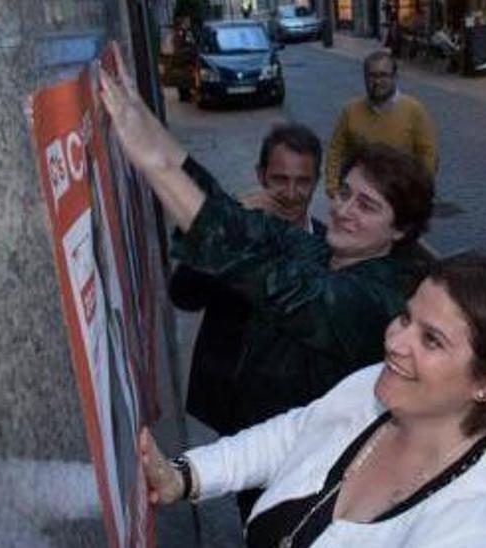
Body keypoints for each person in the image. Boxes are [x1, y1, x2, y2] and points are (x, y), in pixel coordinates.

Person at [100, 73, 435, 520]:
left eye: (366, 205)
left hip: (309, 483)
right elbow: (237, 222)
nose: (342, 209)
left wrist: (154, 166)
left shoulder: (376, 301)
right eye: (344, 193)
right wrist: (145, 123)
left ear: (400, 231)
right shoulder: (321, 251)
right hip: (261, 453)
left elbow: (261, 270)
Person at [137, 254, 486, 547]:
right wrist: (185, 476)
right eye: (406, 317)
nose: (394, 341)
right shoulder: (374, 387)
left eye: (431, 340)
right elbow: (294, 435)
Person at [171, 124, 327, 439]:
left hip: (305, 416)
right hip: (240, 411)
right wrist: (229, 222)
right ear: (260, 175)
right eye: (280, 180)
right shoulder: (235, 234)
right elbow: (183, 295)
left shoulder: (330, 245)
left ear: (317, 182)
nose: (292, 194)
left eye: (303, 182)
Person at [327, 51, 438, 195]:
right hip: (361, 198)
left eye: (383, 75)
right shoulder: (350, 111)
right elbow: (336, 151)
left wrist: (421, 193)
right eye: (372, 75)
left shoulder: (415, 111)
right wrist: (333, 189)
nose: (377, 81)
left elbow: (427, 156)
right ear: (365, 78)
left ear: (395, 77)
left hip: (401, 197)